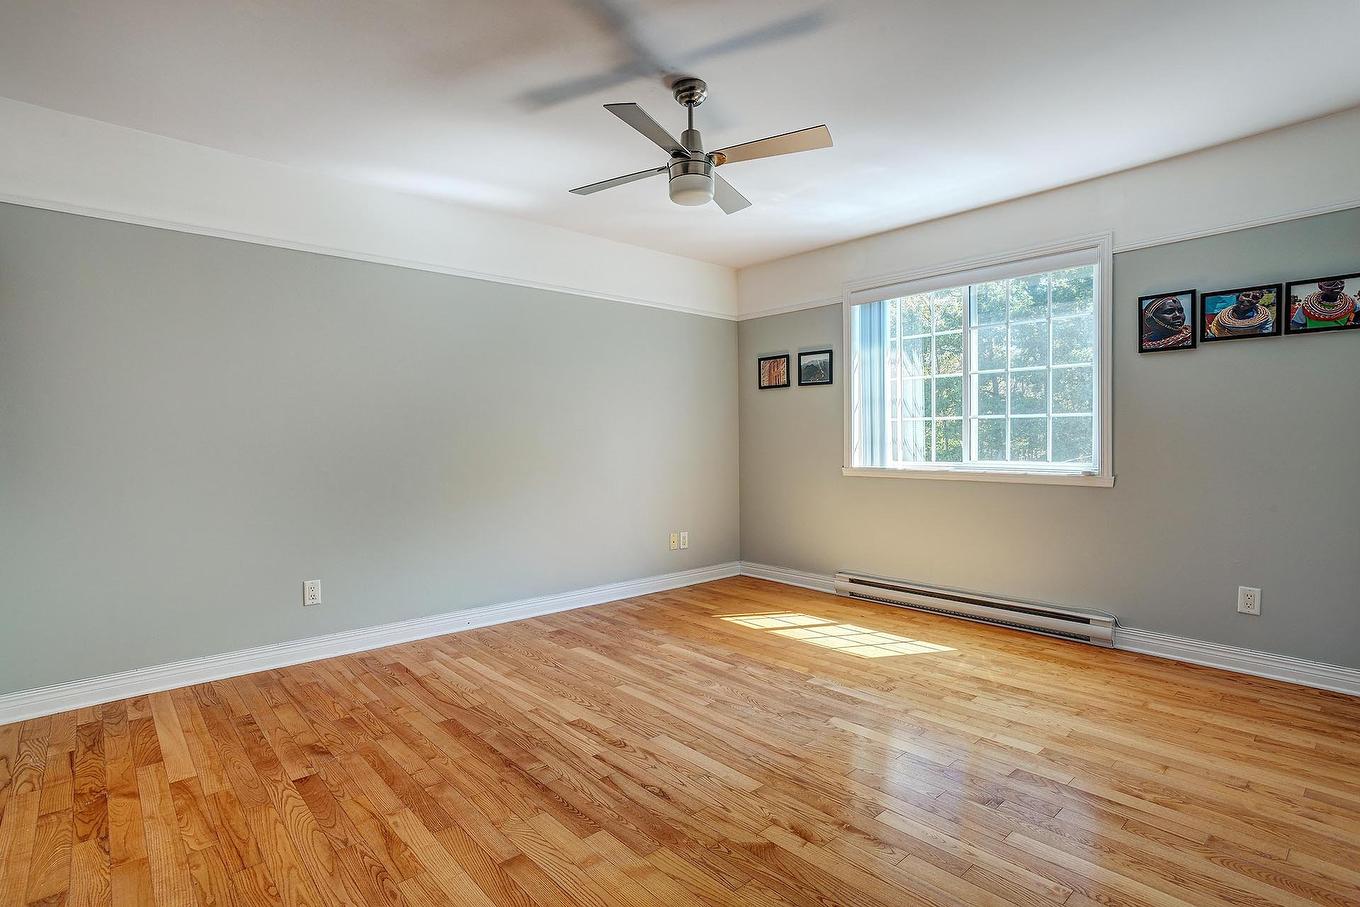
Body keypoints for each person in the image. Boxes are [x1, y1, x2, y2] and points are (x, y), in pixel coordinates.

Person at [1289, 278, 1356, 330]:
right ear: (1320, 286)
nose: (1336, 285)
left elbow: (1356, 315)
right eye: (1330, 283)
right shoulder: (1306, 307)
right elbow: (1295, 326)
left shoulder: (1352, 304)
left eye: (1340, 281)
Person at [1209, 289, 1273, 337]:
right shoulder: (1222, 316)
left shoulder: (1265, 317)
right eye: (1246, 295)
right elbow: (1215, 331)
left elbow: (1266, 333)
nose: (1249, 299)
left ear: (1258, 301)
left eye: (1255, 297)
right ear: (1239, 296)